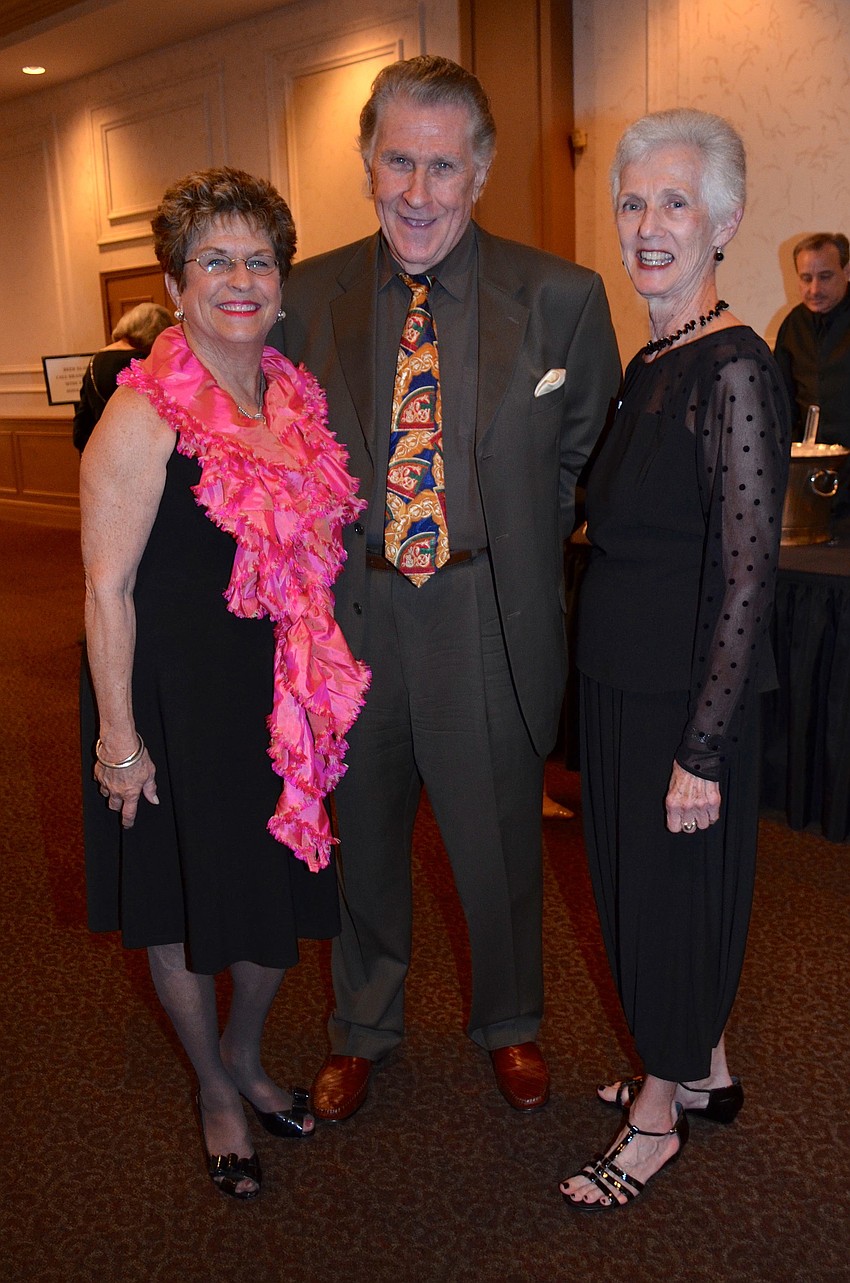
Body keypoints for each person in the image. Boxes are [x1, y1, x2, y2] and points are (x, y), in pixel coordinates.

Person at [273, 55, 620, 1122]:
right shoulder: (308, 294)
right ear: (367, 162)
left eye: (440, 166)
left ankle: (509, 1020)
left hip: (484, 615)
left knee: (500, 844)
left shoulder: (561, 298)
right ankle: (365, 1024)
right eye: (396, 163)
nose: (416, 193)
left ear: (480, 170)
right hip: (355, 616)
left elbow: (584, 455)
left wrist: (499, 538)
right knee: (363, 839)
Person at [79, 167, 369, 1200]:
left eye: (258, 259)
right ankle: (212, 1083)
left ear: (281, 283)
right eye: (215, 259)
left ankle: (247, 1051)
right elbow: (106, 591)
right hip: (170, 697)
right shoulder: (143, 413)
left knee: (276, 899)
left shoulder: (292, 396)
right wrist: (120, 739)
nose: (239, 278)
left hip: (275, 697)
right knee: (178, 906)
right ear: (178, 278)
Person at [559, 109, 789, 1212]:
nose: (647, 225)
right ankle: (703, 1064)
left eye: (675, 201)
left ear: (725, 221)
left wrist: (701, 747)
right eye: (632, 200)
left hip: (679, 699)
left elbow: (748, 577)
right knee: (644, 892)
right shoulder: (655, 353)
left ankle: (657, 1112)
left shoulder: (734, 369)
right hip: (619, 680)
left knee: (661, 900)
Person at [773, 232, 850, 526]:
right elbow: (783, 405)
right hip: (810, 476)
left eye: (826, 276)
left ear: (847, 270)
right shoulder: (792, 325)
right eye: (806, 278)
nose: (814, 288)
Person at [72, 301, 172, 452]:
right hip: (137, 450)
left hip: (102, 450)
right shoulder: (141, 362)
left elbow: (82, 425)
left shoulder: (95, 360)